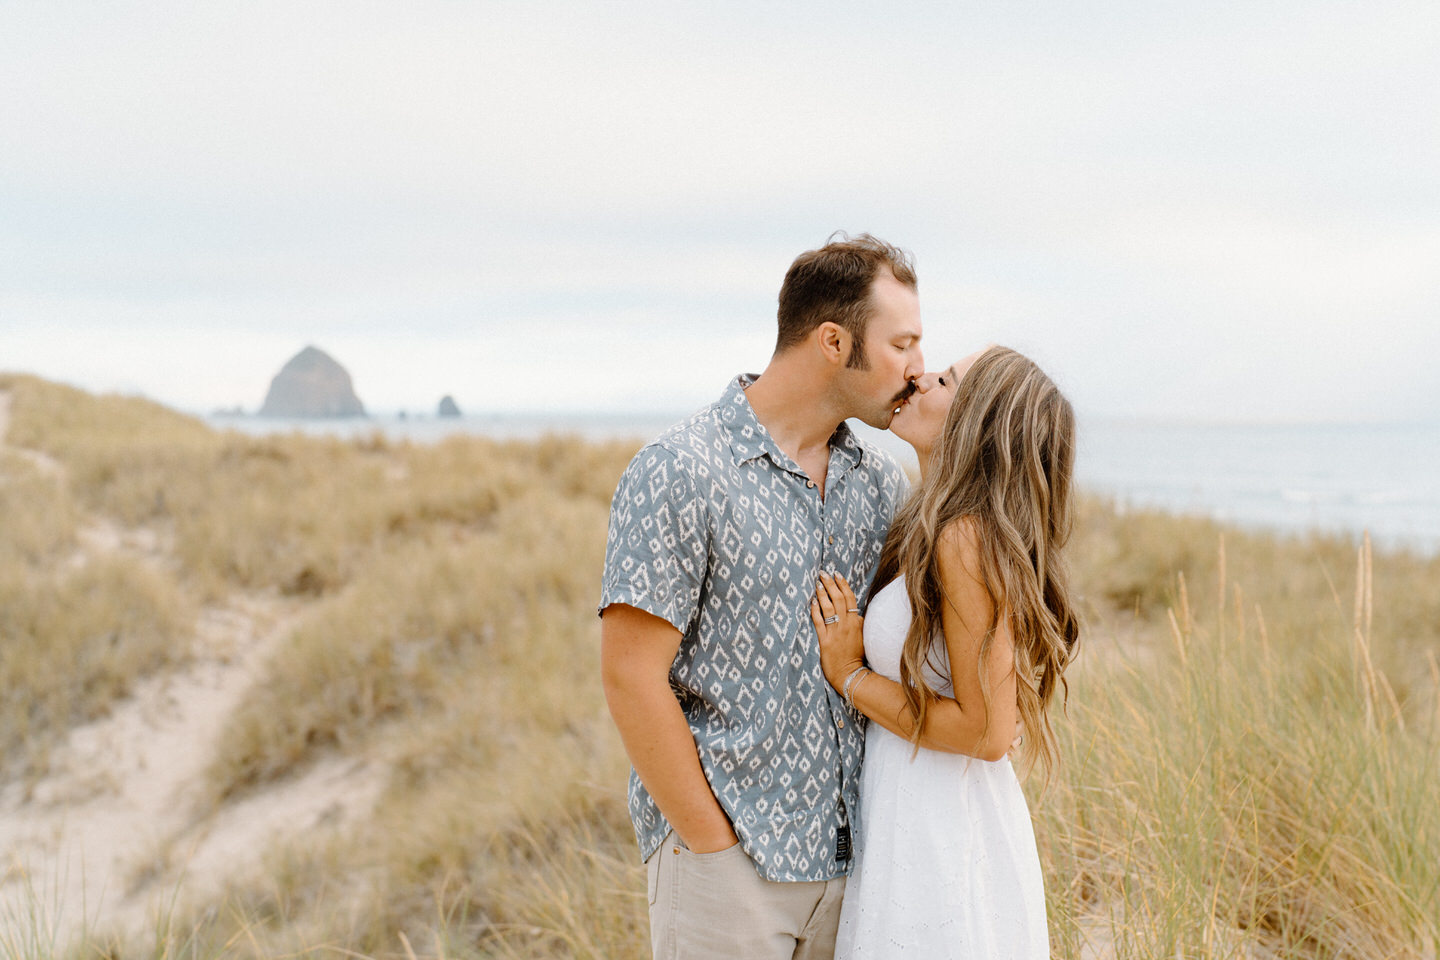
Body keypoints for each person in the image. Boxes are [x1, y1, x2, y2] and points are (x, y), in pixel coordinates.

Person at [599, 233, 925, 960]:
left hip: (858, 871)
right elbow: (630, 675)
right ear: (834, 342)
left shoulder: (880, 484)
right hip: (728, 872)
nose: (919, 369)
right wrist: (713, 847)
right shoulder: (680, 472)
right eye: (902, 343)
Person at [809, 346, 1079, 958]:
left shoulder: (964, 538)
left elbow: (986, 731)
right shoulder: (934, 522)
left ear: (974, 423)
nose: (919, 377)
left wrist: (849, 675)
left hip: (942, 828)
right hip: (916, 810)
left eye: (944, 380)